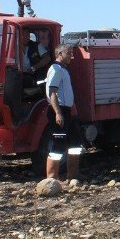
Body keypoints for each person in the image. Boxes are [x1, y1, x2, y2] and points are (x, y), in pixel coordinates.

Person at [45, 43, 82, 181]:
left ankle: (73, 174)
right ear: (60, 54)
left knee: (75, 143)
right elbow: (52, 92)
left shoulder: (63, 69)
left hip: (67, 111)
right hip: (59, 110)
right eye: (69, 53)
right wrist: (58, 113)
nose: (71, 56)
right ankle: (51, 178)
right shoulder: (55, 69)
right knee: (58, 145)